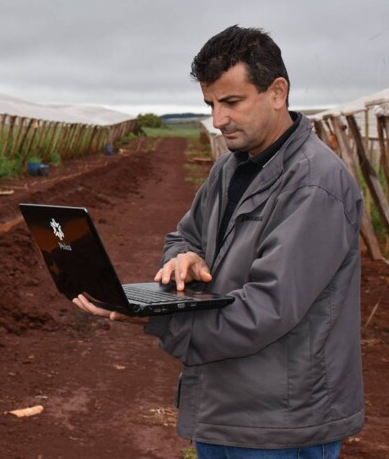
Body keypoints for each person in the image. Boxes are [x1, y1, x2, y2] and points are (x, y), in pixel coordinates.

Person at [74, 25, 364, 458]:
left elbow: (267, 309)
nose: (218, 119)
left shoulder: (314, 185)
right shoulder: (231, 169)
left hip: (281, 424)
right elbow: (184, 234)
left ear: (277, 92)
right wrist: (185, 256)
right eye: (210, 104)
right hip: (225, 407)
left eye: (231, 102)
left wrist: (154, 316)